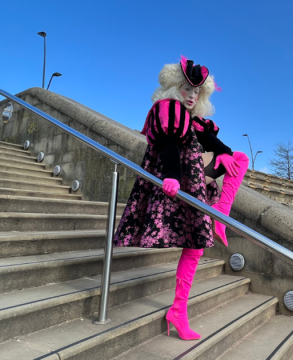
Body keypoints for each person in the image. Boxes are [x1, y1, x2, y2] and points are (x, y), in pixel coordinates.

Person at [113, 56, 249, 340]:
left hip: (194, 178)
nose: (191, 95)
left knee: (239, 158)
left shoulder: (194, 120)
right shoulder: (168, 109)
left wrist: (222, 152)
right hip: (175, 177)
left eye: (197, 91)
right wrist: (171, 175)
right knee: (196, 243)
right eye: (187, 88)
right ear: (176, 88)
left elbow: (211, 141)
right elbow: (169, 144)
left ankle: (220, 216)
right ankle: (179, 311)